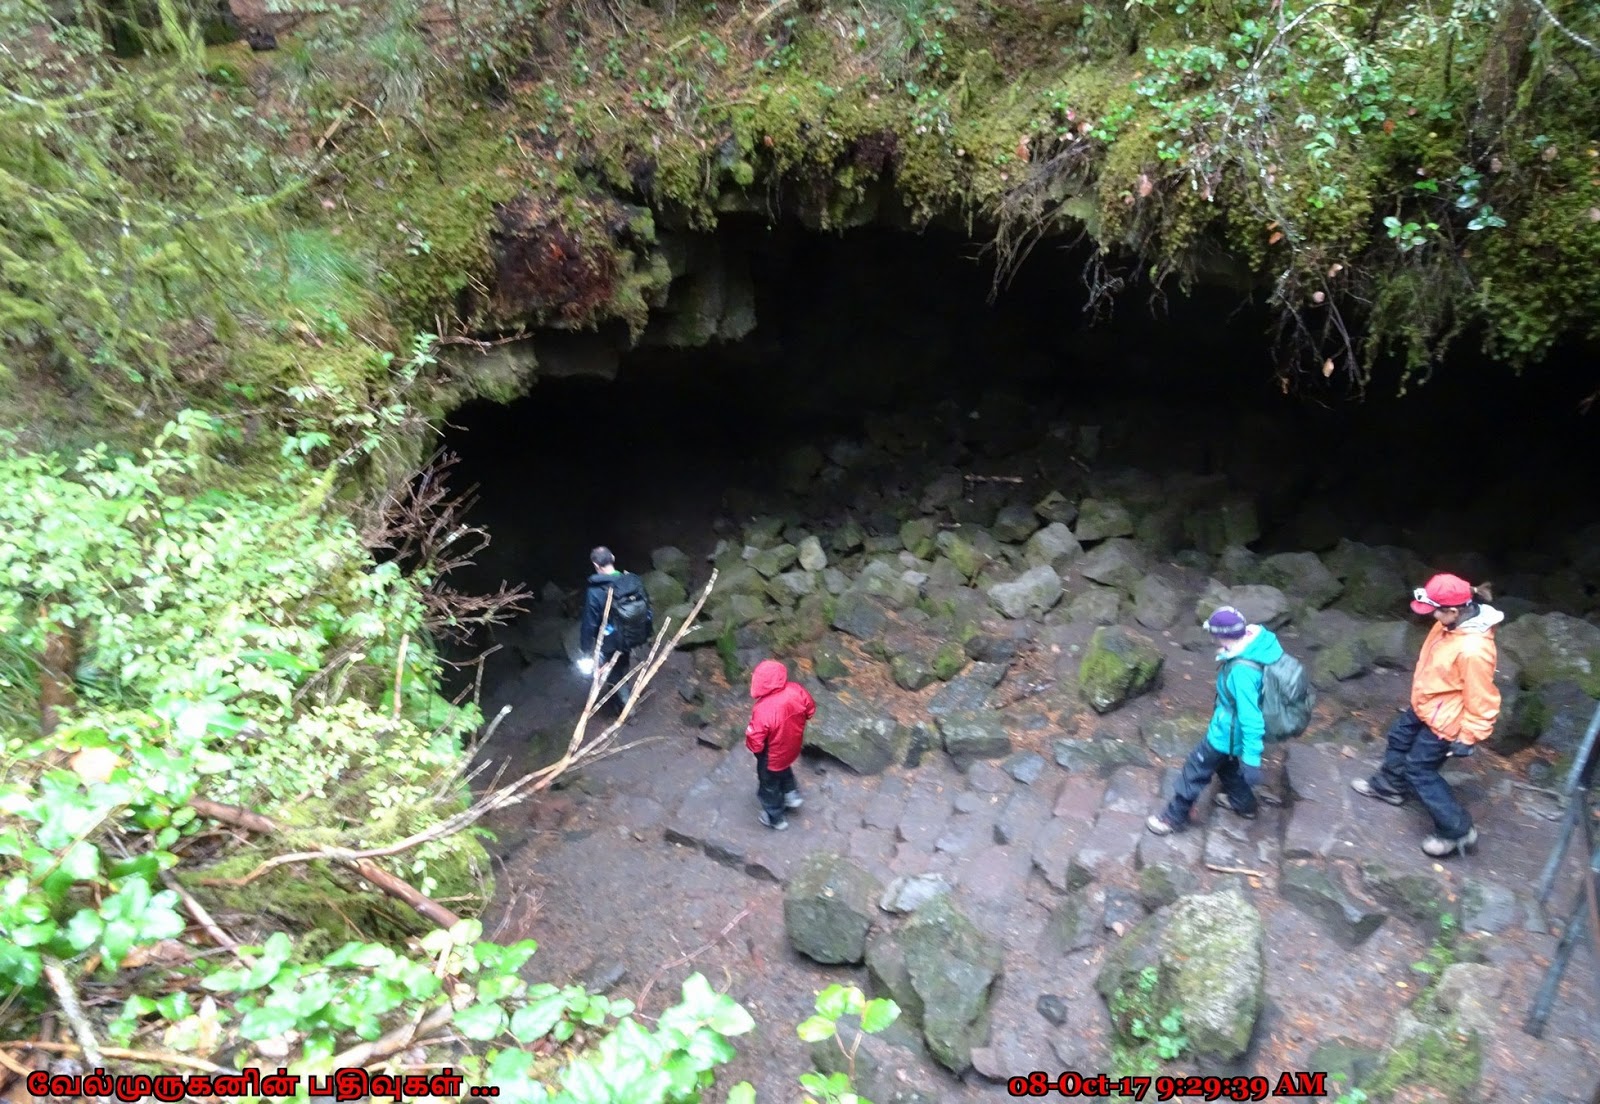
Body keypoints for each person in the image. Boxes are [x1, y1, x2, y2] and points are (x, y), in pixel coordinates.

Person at [1351, 574, 1501, 857]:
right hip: (1426, 704)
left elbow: (1483, 697)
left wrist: (1469, 736)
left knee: (1420, 771)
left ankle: (1457, 830)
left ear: (1454, 611)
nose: (1432, 615)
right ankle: (1388, 787)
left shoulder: (1474, 650)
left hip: (1446, 720)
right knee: (1399, 737)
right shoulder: (1448, 625)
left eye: (1435, 610)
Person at [1147, 606, 1282, 836]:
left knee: (1195, 770)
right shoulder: (1255, 646)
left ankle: (1174, 816)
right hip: (1231, 733)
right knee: (1227, 768)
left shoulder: (1241, 671)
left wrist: (1251, 759)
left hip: (1224, 734)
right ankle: (1245, 805)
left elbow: (1251, 718)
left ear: (1223, 636)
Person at [577, 546, 652, 712]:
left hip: (611, 640)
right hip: (632, 632)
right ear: (612, 557)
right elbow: (647, 605)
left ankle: (628, 711)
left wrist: (585, 648)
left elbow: (590, 622)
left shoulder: (595, 591)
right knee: (621, 664)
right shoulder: (632, 580)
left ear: (596, 565)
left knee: (613, 674)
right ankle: (623, 692)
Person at [744, 659, 816, 831]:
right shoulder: (796, 690)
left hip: (772, 752)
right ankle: (791, 794)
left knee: (768, 784)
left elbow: (755, 738)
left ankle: (775, 817)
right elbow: (810, 709)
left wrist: (756, 749)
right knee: (784, 767)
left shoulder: (763, 708)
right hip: (792, 744)